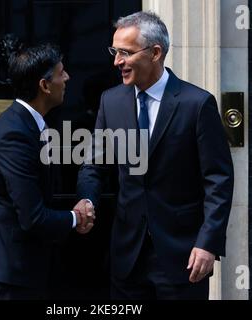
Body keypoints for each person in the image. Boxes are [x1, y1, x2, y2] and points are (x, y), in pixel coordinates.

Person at [76, 11, 234, 300]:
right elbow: (93, 163)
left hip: (184, 256)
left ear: (156, 52)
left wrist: (208, 243)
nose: (117, 62)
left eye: (125, 52)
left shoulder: (197, 104)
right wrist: (87, 198)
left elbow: (218, 180)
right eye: (115, 52)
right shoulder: (110, 101)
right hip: (127, 256)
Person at [0, 44, 95, 300]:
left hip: (24, 266)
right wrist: (76, 218)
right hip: (9, 272)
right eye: (61, 73)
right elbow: (33, 217)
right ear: (44, 86)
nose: (67, 78)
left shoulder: (31, 123)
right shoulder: (14, 134)